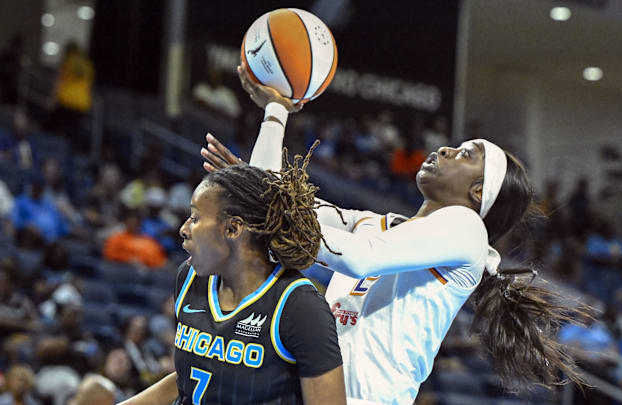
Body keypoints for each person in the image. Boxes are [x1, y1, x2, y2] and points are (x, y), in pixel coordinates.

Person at [199, 64, 591, 405]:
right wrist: (276, 112)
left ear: (478, 193)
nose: (445, 150)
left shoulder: (468, 232)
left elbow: (358, 256)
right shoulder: (376, 224)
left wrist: (270, 206)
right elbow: (273, 199)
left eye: (465, 155)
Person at [119, 157, 346, 404]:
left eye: (195, 218)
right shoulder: (189, 278)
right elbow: (187, 380)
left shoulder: (299, 307)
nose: (184, 229)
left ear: (232, 229)